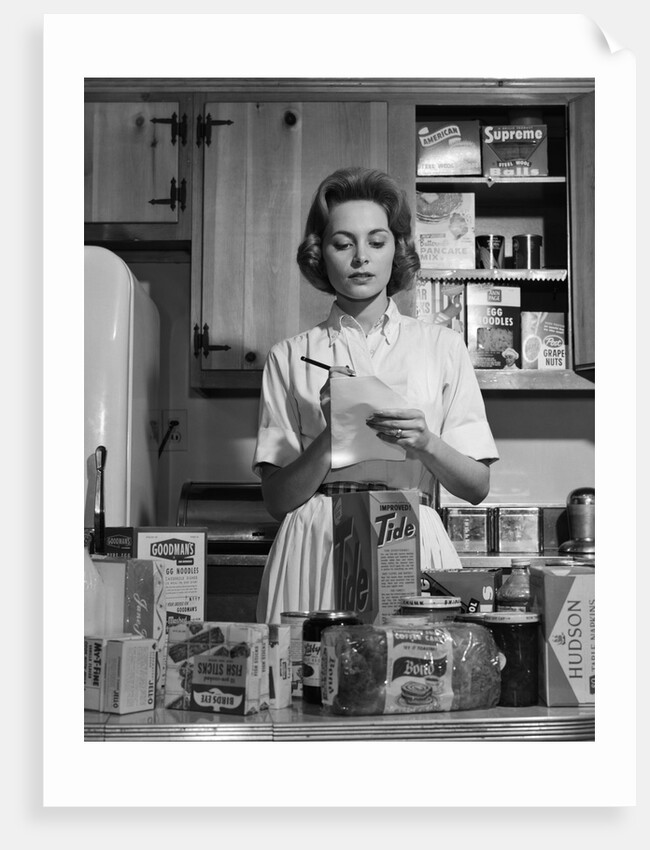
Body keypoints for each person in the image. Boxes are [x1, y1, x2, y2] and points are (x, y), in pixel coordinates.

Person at [252, 166, 499, 624]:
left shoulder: (441, 347)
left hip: (413, 529)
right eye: (342, 243)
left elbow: (476, 488)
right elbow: (277, 500)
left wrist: (424, 441)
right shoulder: (289, 357)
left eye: (377, 241)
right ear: (319, 254)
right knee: (312, 681)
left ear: (397, 250)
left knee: (415, 683)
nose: (360, 257)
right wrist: (333, 436)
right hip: (316, 542)